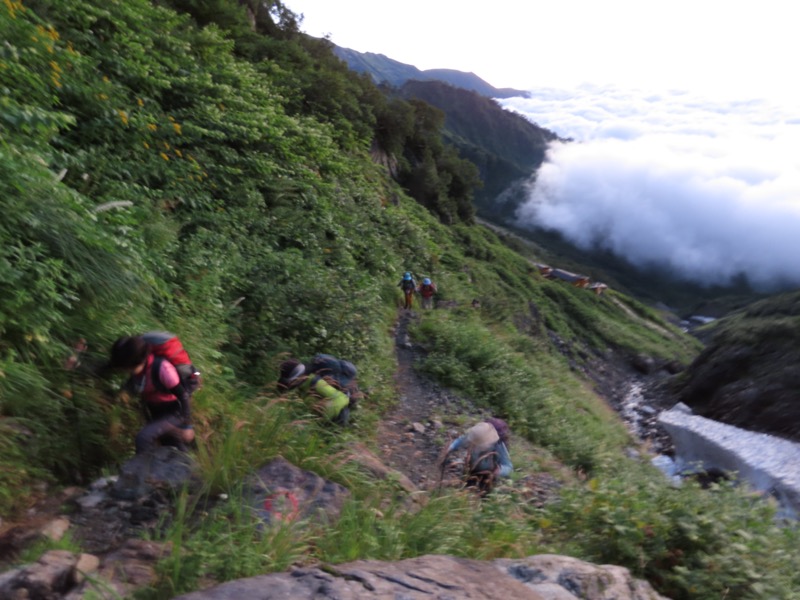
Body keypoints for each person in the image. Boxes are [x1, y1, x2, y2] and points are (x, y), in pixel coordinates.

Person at [108, 335, 195, 454]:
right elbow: (133, 381)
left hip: (174, 411)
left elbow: (183, 396)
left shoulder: (163, 369)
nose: (127, 372)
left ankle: (142, 471)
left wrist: (187, 427)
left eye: (129, 369)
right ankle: (191, 468)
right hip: (155, 410)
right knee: (171, 444)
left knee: (143, 438)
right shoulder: (137, 366)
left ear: (140, 361)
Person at [277, 357, 356, 425]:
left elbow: (341, 398)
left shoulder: (315, 382)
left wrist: (319, 421)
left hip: (336, 420)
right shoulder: (302, 387)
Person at [442, 421, 512, 495]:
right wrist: (450, 448)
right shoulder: (474, 436)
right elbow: (459, 441)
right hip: (472, 469)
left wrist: (499, 471)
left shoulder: (498, 446)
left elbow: (508, 466)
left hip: (488, 475)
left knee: (481, 494)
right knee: (466, 488)